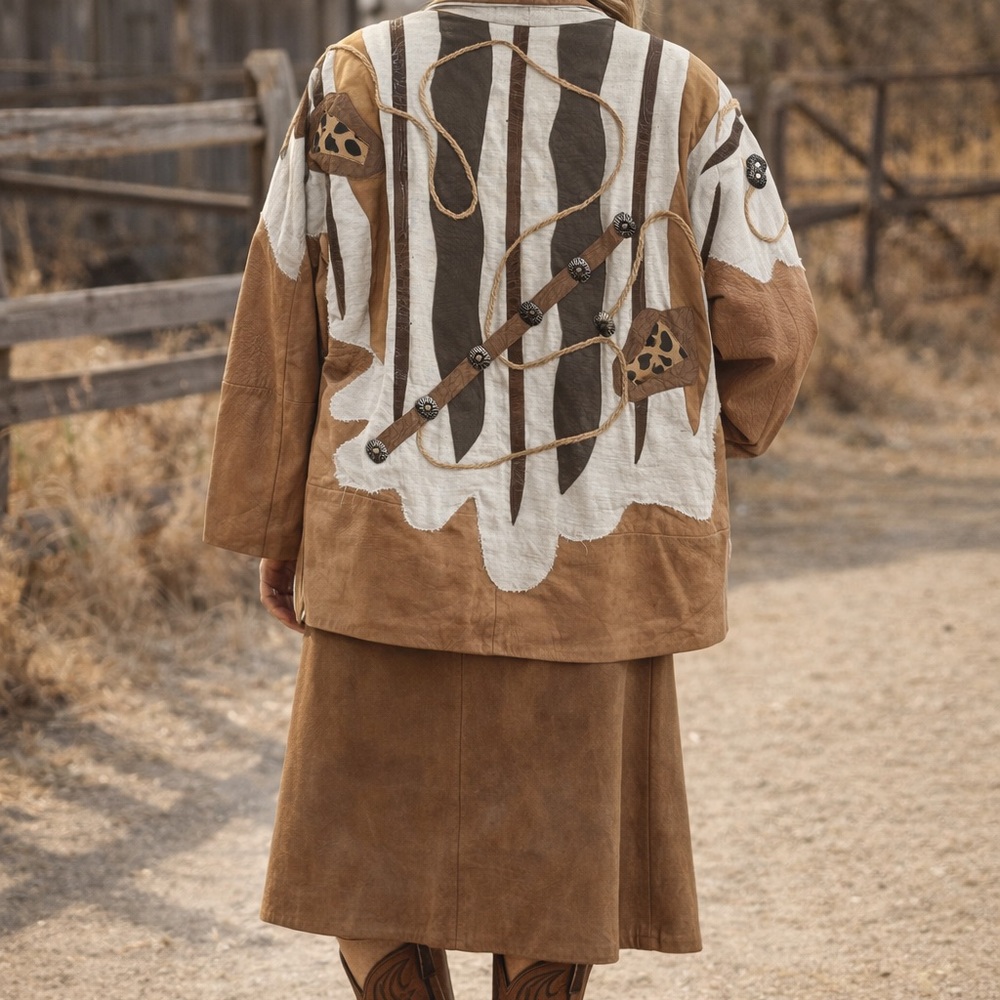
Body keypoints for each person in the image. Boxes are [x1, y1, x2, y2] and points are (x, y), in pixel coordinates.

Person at [204, 0, 818, 997]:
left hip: (383, 534)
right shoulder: (679, 90)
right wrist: (676, 450)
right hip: (594, 556)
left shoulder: (354, 74)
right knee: (554, 874)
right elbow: (774, 327)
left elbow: (283, 296)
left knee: (369, 864)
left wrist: (279, 520)